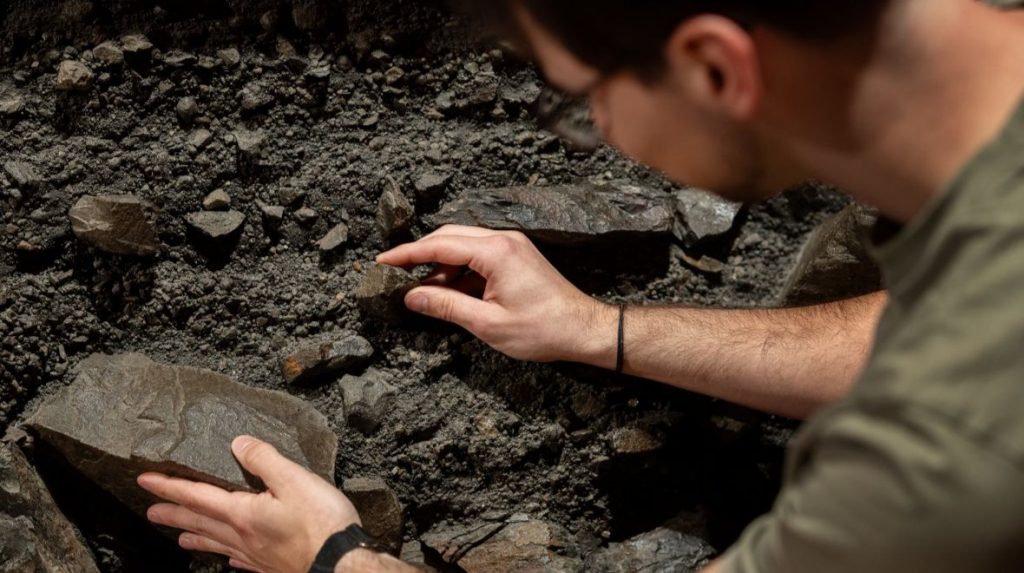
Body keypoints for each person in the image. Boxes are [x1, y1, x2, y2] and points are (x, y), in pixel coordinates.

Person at [137, 0, 1024, 571]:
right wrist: (601, 328)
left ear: (716, 66)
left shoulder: (944, 457)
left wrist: (333, 558)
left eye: (583, 96)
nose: (595, 125)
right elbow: (913, 333)